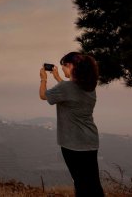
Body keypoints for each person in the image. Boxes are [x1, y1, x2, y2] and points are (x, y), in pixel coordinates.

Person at [39, 52, 104, 197]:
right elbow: (69, 90)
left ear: (70, 66)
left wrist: (43, 79)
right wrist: (57, 77)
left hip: (73, 144)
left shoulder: (67, 88)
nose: (62, 69)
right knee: (93, 183)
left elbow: (44, 95)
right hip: (90, 142)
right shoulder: (89, 87)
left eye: (63, 67)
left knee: (80, 183)